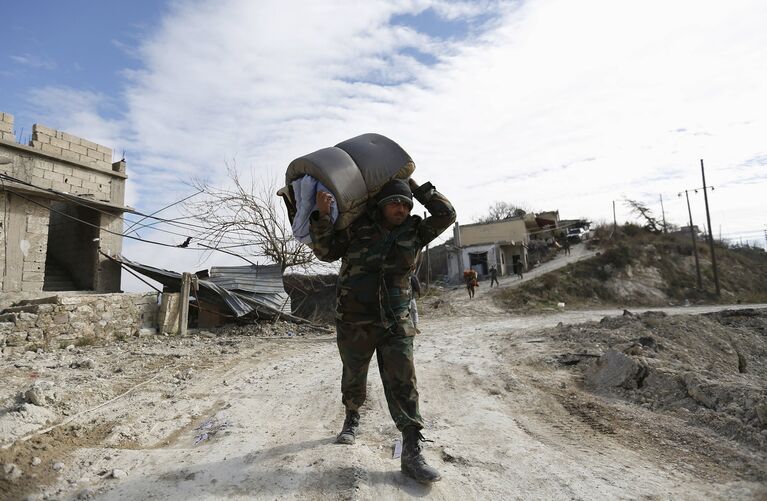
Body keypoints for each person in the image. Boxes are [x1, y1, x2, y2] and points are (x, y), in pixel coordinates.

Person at [310, 177, 455, 483]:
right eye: (395, 202)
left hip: (395, 320)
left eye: (406, 204)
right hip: (354, 318)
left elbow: (447, 215)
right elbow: (325, 252)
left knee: (404, 380)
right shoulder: (356, 227)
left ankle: (412, 451)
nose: (401, 208)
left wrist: (416, 186)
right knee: (354, 373)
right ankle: (352, 417)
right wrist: (322, 216)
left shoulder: (415, 230)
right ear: (380, 204)